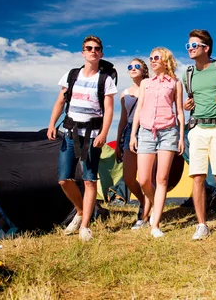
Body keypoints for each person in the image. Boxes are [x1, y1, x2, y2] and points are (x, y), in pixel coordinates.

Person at [47, 35, 117, 242]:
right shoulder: (72, 75)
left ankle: (85, 225)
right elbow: (60, 102)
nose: (93, 51)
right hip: (70, 133)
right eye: (89, 48)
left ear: (101, 53)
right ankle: (79, 212)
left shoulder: (106, 80)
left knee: (89, 180)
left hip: (93, 135)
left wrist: (104, 133)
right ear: (83, 52)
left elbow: (110, 110)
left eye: (97, 48)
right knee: (63, 179)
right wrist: (51, 124)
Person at [182, 29, 216, 240]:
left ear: (206, 48)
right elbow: (192, 97)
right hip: (197, 128)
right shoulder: (188, 74)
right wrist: (188, 104)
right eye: (188, 46)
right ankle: (201, 224)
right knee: (197, 176)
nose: (190, 49)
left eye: (194, 45)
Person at [129, 47, 185, 238]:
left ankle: (156, 224)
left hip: (169, 132)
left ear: (166, 61)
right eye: (151, 58)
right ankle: (152, 204)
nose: (152, 61)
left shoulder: (175, 84)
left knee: (161, 179)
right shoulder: (145, 83)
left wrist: (181, 136)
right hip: (145, 132)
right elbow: (139, 109)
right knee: (144, 180)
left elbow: (179, 112)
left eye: (156, 58)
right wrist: (133, 134)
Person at [114, 58, 152, 229]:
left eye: (137, 66)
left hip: (148, 129)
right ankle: (144, 201)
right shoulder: (125, 93)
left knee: (147, 178)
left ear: (144, 70)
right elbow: (123, 119)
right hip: (129, 131)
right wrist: (118, 142)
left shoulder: (151, 87)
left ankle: (146, 214)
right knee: (129, 177)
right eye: (130, 67)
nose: (133, 68)